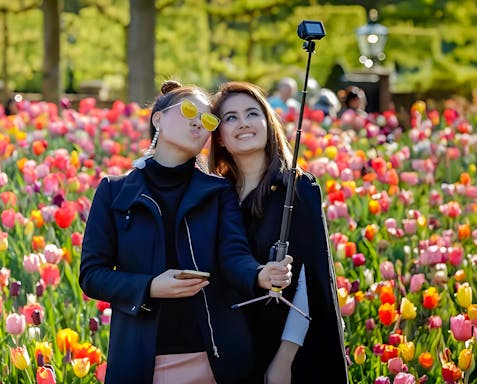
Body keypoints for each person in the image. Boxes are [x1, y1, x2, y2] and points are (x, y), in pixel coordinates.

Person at [80, 80, 293, 383]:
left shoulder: (218, 191)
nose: (198, 121)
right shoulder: (114, 192)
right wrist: (151, 286)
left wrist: (259, 274)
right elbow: (92, 275)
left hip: (214, 357)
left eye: (208, 120)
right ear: (158, 119)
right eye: (189, 110)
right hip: (139, 359)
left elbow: (233, 254)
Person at [209, 81, 348, 384]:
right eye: (230, 117)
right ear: (219, 137)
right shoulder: (218, 195)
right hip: (234, 347)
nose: (243, 123)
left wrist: (285, 358)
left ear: (268, 123)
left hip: (290, 350)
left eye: (252, 113)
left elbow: (309, 281)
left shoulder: (296, 188)